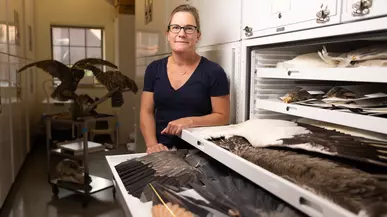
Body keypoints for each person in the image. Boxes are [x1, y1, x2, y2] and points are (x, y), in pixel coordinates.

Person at [140, 4, 230, 154]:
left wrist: (190, 122)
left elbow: (223, 117)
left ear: (198, 35)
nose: (181, 33)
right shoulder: (153, 69)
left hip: (201, 153)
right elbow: (146, 111)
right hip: (162, 152)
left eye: (189, 28)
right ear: (167, 34)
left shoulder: (214, 71)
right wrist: (152, 145)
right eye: (175, 27)